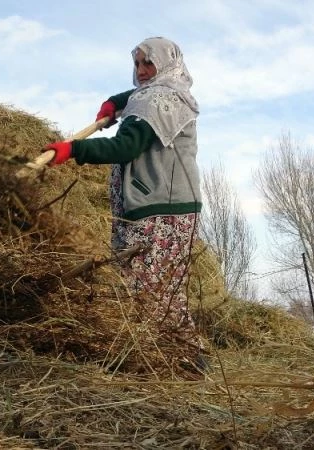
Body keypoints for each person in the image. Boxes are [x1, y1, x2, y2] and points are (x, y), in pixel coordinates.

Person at [44, 37, 208, 373]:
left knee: (154, 291)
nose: (142, 71)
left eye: (149, 63)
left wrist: (73, 151)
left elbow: (126, 146)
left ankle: (190, 363)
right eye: (136, 65)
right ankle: (162, 360)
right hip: (148, 206)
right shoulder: (151, 95)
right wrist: (111, 103)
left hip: (163, 210)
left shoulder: (160, 101)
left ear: (166, 63)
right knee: (141, 288)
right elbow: (132, 97)